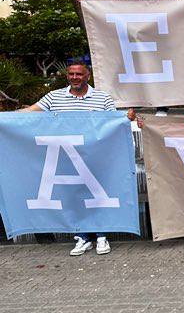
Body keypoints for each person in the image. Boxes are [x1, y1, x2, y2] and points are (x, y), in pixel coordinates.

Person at [19, 62, 136, 257]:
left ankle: (101, 235)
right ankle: (82, 236)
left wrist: (128, 117)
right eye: (71, 74)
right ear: (67, 76)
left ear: (87, 76)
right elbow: (30, 113)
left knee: (98, 196)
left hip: (97, 156)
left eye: (79, 74)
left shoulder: (102, 98)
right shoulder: (54, 97)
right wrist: (6, 118)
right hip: (66, 157)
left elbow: (114, 121)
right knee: (73, 198)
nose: (74, 77)